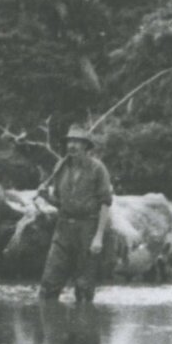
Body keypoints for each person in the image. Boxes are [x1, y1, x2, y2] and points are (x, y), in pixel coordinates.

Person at [36, 125, 114, 305]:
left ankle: (84, 321)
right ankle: (51, 320)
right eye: (70, 142)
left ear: (86, 146)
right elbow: (59, 203)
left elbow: (105, 203)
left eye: (77, 142)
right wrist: (45, 196)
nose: (72, 146)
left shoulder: (98, 168)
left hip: (88, 229)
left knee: (84, 289)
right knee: (48, 285)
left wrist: (98, 237)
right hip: (63, 228)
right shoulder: (60, 167)